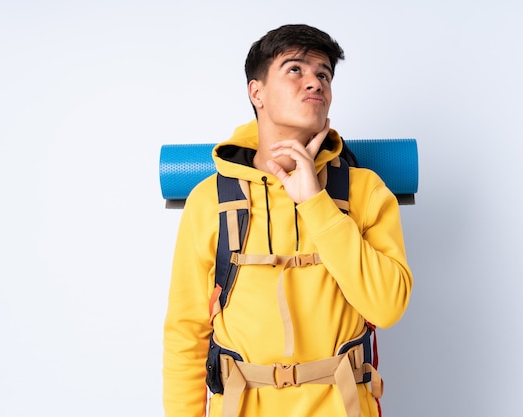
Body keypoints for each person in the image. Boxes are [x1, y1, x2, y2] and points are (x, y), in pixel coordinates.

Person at [163, 24, 413, 417]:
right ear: (256, 92)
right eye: (295, 69)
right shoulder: (209, 200)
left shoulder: (365, 190)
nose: (314, 82)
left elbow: (387, 307)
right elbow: (185, 335)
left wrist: (315, 202)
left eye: (324, 74)